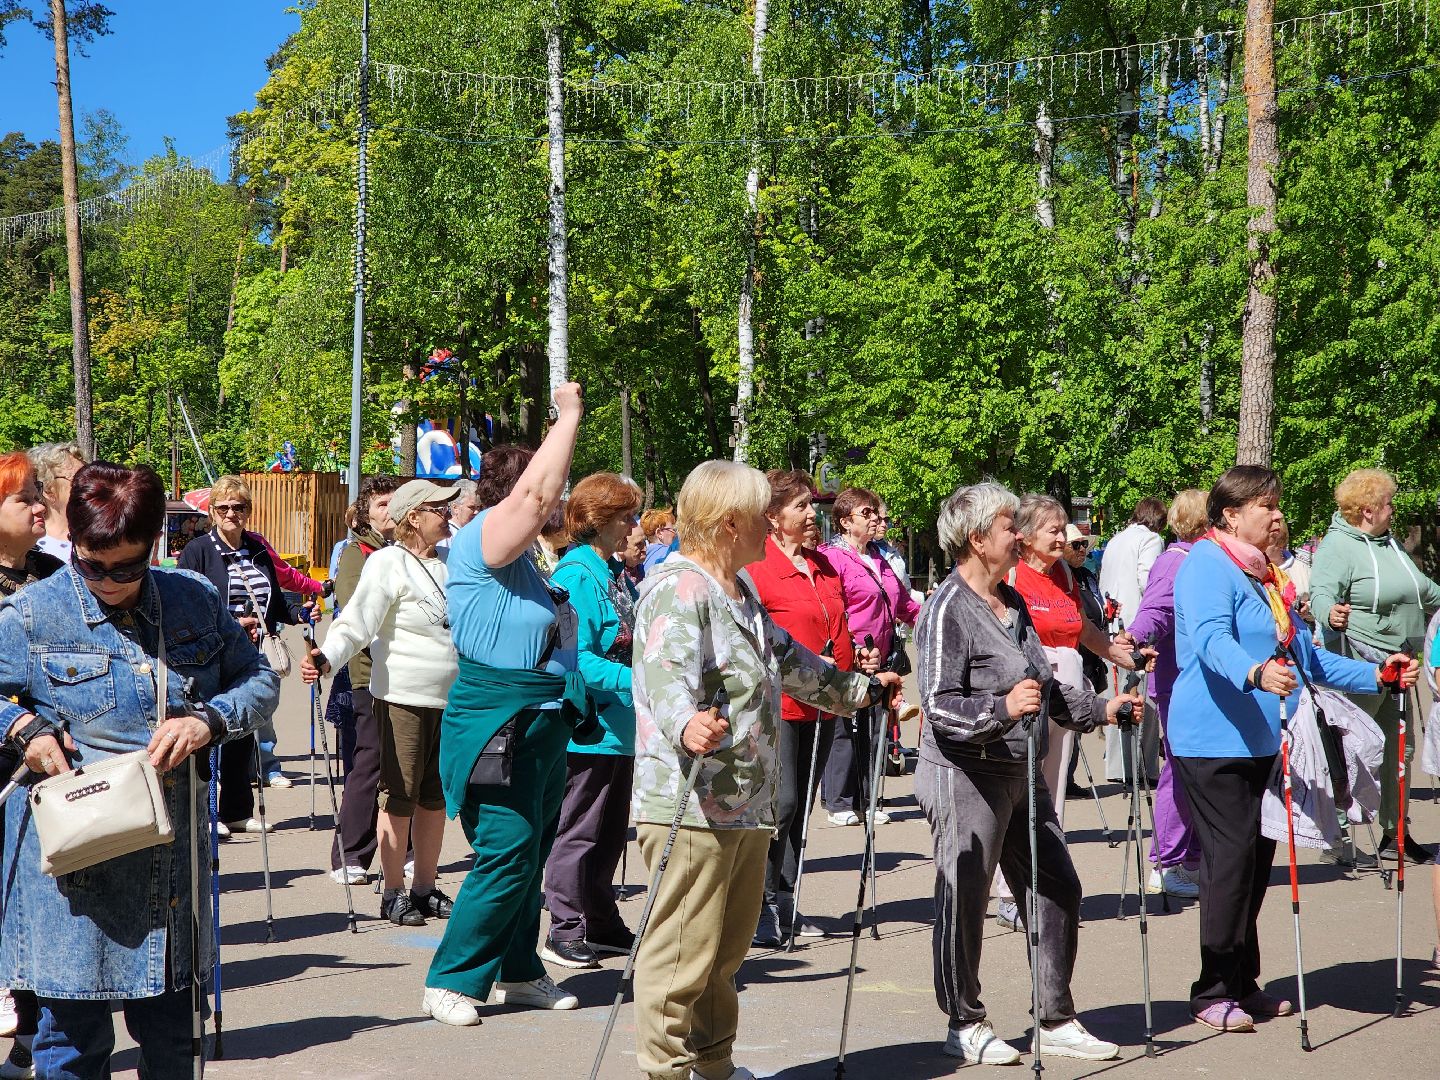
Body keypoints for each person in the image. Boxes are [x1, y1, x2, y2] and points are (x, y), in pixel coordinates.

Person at [0, 461, 278, 1078]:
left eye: (125, 566)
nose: (106, 581)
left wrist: (209, 719)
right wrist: (25, 730)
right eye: (91, 563)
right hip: (71, 879)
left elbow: (259, 680)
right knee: (72, 1050)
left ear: (155, 546)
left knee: (176, 1049)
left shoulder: (195, 601)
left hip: (171, 873)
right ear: (73, 545)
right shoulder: (31, 613)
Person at [630, 459, 897, 1080]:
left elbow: (795, 663)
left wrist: (861, 689)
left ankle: (714, 1065)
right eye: (760, 514)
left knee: (725, 953)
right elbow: (663, 676)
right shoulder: (679, 587)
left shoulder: (740, 592)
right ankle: (665, 1070)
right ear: (730, 524)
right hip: (690, 803)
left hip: (747, 801)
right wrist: (685, 723)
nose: (773, 525)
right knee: (680, 955)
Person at [1168, 464, 1417, 1032]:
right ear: (1230, 513)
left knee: (1255, 868)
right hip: (1210, 740)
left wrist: (1378, 674)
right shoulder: (1207, 564)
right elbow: (1210, 640)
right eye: (1265, 505)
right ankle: (1210, 990)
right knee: (1229, 865)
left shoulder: (1264, 575)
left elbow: (1307, 657)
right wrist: (1254, 673)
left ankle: (1241, 982)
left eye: (1277, 504)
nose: (1277, 515)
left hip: (1261, 740)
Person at [915, 481, 1135, 1065]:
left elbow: (1047, 686)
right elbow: (937, 706)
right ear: (975, 537)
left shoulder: (1011, 603)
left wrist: (1102, 710)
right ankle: (963, 1020)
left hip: (1020, 770)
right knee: (965, 897)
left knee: (1057, 886)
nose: (1019, 535)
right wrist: (1001, 709)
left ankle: (1054, 1019)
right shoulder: (946, 609)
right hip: (965, 774)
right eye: (1010, 526)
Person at [419, 391, 592, 1027]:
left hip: (542, 719)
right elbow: (536, 499)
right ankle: (452, 978)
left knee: (531, 851)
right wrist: (567, 416)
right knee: (506, 849)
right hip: (499, 717)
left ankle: (518, 971)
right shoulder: (482, 539)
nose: (551, 497)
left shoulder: (525, 558)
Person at [301, 479, 460, 927]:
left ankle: (425, 887)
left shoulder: (451, 562)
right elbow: (357, 622)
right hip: (403, 699)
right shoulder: (388, 563)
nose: (448, 514)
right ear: (414, 517)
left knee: (436, 798)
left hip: (450, 700)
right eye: (439, 508)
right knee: (401, 796)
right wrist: (326, 658)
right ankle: (393, 892)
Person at [745, 469, 855, 945]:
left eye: (813, 506)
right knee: (782, 803)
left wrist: (859, 660)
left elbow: (838, 624)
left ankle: (786, 901)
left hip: (826, 702)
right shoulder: (757, 567)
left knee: (802, 806)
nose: (813, 514)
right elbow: (752, 639)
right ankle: (760, 904)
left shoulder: (825, 565)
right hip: (779, 704)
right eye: (802, 507)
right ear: (773, 516)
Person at [1309, 467, 1440, 861]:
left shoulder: (1390, 545)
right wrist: (1330, 613)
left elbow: (1425, 591)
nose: (1393, 509)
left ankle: (1395, 832)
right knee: (1350, 748)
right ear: (1366, 510)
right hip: (1359, 665)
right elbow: (1320, 592)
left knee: (1401, 750)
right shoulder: (1338, 546)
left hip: (1402, 664)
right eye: (1388, 504)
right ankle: (1336, 834)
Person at [542, 472, 644, 969]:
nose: (634, 526)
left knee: (609, 833)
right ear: (599, 522)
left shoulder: (611, 573)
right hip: (588, 728)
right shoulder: (576, 575)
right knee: (578, 831)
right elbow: (575, 657)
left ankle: (601, 921)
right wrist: (637, 680)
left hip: (620, 728)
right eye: (627, 517)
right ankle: (564, 927)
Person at [178, 474, 295, 836]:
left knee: (241, 729)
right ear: (212, 511)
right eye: (224, 507)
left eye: (239, 507)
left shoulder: (257, 547)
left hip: (249, 651)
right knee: (208, 730)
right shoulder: (198, 550)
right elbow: (185, 600)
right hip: (207, 653)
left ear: (248, 511)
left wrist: (299, 613)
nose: (232, 513)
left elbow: (274, 593)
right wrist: (229, 621)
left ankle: (237, 812)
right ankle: (205, 812)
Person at [0, 453, 61, 1080]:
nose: (40, 506)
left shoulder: (54, 574)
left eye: (41, 495)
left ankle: (31, 1049)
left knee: (38, 911)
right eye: (24, 499)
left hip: (48, 774)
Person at [820, 487, 920, 826]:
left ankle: (868, 798)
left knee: (875, 726)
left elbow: (902, 602)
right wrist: (849, 645)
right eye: (867, 513)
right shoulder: (832, 556)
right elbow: (831, 605)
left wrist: (928, 618)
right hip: (851, 653)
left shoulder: (879, 555)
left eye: (875, 512)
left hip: (884, 655)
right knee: (845, 725)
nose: (875, 518)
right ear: (846, 521)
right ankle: (838, 801)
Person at [1126, 489, 1207, 899]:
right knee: (1181, 772)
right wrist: (1134, 639)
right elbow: (1154, 610)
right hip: (1178, 683)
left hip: (1199, 684)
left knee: (1196, 772)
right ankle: (1166, 863)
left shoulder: (1199, 559)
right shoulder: (1175, 562)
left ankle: (1190, 860)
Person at [326, 476, 403, 882]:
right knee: (369, 762)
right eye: (380, 504)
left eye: (394, 502)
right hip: (368, 674)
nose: (388, 510)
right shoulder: (359, 553)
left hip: (404, 675)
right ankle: (349, 854)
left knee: (404, 765)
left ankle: (404, 847)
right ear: (364, 514)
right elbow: (357, 614)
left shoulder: (401, 551)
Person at [26, 442, 86, 562]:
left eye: (90, 476)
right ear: (48, 490)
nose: (90, 484)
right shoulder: (28, 547)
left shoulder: (102, 535)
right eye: (78, 479)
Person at [641, 507, 677, 574]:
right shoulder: (668, 553)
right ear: (659, 533)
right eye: (673, 530)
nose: (675, 534)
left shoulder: (643, 555)